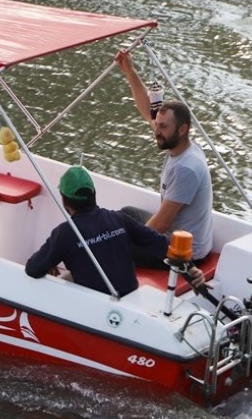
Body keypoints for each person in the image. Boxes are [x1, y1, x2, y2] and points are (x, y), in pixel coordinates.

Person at [26, 166, 204, 297]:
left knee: (60, 280)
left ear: (65, 201)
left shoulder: (64, 234)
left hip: (95, 306)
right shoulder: (119, 219)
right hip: (131, 296)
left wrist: (51, 259)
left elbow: (33, 269)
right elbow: (161, 244)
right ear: (94, 194)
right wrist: (191, 269)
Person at [114, 49, 214, 265]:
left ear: (182, 129)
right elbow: (145, 110)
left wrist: (118, 242)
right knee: (125, 215)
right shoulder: (180, 144)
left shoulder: (186, 167)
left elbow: (159, 225)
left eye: (162, 127)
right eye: (157, 125)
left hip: (183, 253)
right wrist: (130, 72)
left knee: (111, 247)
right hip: (172, 235)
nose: (156, 131)